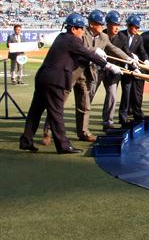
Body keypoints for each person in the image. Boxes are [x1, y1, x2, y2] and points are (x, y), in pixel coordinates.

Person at [19, 13, 122, 154]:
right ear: (73, 29)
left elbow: (81, 57)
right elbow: (88, 54)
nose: (82, 31)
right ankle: (63, 146)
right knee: (56, 114)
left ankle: (26, 140)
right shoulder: (73, 40)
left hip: (43, 78)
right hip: (55, 81)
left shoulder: (62, 37)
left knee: (35, 112)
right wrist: (108, 66)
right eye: (80, 28)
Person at [43, 9, 133, 145]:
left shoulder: (103, 37)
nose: (102, 27)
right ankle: (47, 132)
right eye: (100, 24)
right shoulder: (80, 33)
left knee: (84, 105)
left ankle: (83, 132)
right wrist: (94, 51)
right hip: (71, 73)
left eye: (103, 24)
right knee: (58, 103)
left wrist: (129, 59)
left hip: (87, 74)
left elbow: (114, 49)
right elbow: (80, 48)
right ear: (91, 24)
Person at [90, 10, 124, 129]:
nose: (117, 28)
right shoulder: (100, 34)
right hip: (97, 69)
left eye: (118, 25)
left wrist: (130, 60)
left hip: (112, 71)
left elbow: (120, 51)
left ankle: (107, 122)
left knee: (112, 96)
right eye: (115, 25)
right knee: (90, 94)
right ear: (108, 24)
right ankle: (83, 119)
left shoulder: (122, 37)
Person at [115, 14, 149, 123]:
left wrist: (146, 60)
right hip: (122, 67)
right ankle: (123, 117)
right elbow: (124, 49)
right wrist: (131, 59)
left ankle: (136, 114)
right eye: (135, 27)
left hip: (133, 67)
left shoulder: (138, 38)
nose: (137, 29)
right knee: (126, 92)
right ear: (129, 26)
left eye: (138, 27)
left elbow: (142, 51)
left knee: (135, 93)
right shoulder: (121, 35)